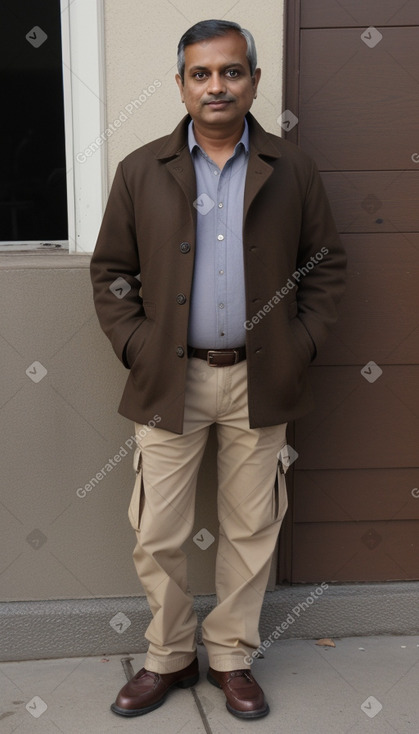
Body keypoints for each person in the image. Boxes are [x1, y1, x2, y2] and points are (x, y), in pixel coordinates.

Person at [90, 19, 346, 720]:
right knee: (156, 531)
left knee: (251, 526)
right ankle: (168, 656)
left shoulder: (294, 169)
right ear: (180, 84)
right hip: (167, 379)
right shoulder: (142, 170)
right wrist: (138, 345)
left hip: (262, 379)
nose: (216, 85)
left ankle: (230, 655)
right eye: (200, 74)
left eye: (230, 72)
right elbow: (111, 273)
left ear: (253, 81)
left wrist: (300, 345)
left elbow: (325, 271)